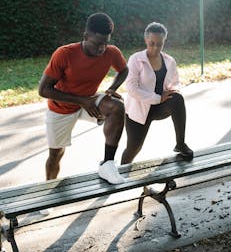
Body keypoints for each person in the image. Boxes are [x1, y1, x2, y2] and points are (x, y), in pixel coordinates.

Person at [39, 13, 128, 186]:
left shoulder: (111, 52)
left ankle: (108, 164)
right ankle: (48, 190)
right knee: (56, 154)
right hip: (61, 108)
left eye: (105, 43)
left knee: (117, 107)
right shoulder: (64, 54)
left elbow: (124, 70)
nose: (101, 49)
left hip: (88, 101)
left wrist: (112, 89)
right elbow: (43, 90)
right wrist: (81, 101)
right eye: (97, 44)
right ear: (86, 36)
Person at [121, 22, 193, 165]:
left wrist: (171, 90)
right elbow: (131, 88)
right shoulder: (136, 59)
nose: (155, 47)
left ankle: (180, 143)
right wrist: (157, 98)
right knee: (133, 148)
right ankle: (121, 175)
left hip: (159, 107)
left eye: (159, 44)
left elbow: (175, 83)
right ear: (146, 40)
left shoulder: (169, 61)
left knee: (177, 98)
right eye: (152, 43)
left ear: (164, 42)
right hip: (139, 110)